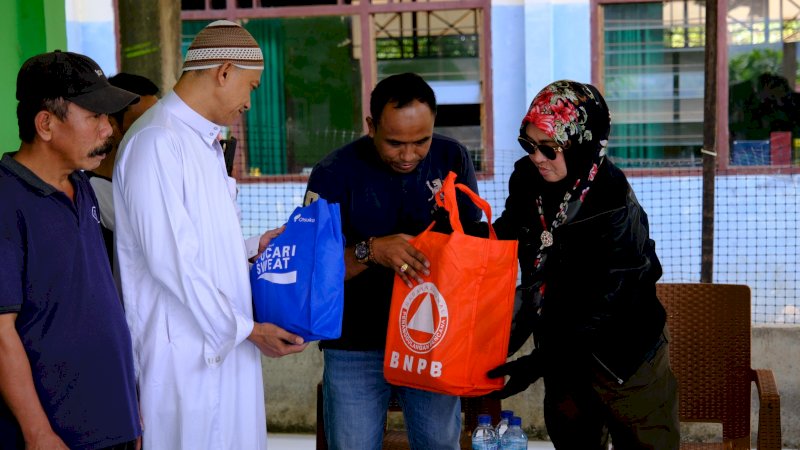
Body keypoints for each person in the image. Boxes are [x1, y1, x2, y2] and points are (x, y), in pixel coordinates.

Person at [113, 20, 308, 450]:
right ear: (224, 72)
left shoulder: (200, 142)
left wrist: (251, 248)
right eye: (251, 87)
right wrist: (247, 329)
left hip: (225, 347)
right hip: (183, 364)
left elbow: (195, 247)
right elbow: (173, 262)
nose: (250, 103)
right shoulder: (157, 142)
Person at [487, 80, 679, 449]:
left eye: (549, 148)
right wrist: (461, 238)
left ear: (584, 144)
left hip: (625, 359)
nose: (537, 157)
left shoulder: (613, 203)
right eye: (529, 144)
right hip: (561, 354)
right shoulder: (527, 178)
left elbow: (610, 304)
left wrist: (539, 361)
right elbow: (508, 232)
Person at [304, 72, 482, 450]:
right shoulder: (334, 173)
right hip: (355, 345)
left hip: (431, 340)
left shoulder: (452, 157)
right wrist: (371, 251)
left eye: (421, 141)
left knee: (439, 444)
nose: (408, 155)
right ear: (371, 126)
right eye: (395, 143)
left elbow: (471, 246)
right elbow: (312, 272)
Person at [0, 50, 141, 449]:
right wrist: (38, 432)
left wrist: (129, 409)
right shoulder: (7, 201)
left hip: (113, 423)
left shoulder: (83, 188)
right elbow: (0, 334)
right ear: (45, 123)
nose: (107, 130)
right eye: (94, 116)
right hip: (58, 436)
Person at [85, 72, 159, 263]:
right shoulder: (92, 191)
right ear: (112, 126)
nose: (156, 130)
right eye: (143, 122)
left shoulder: (142, 183)